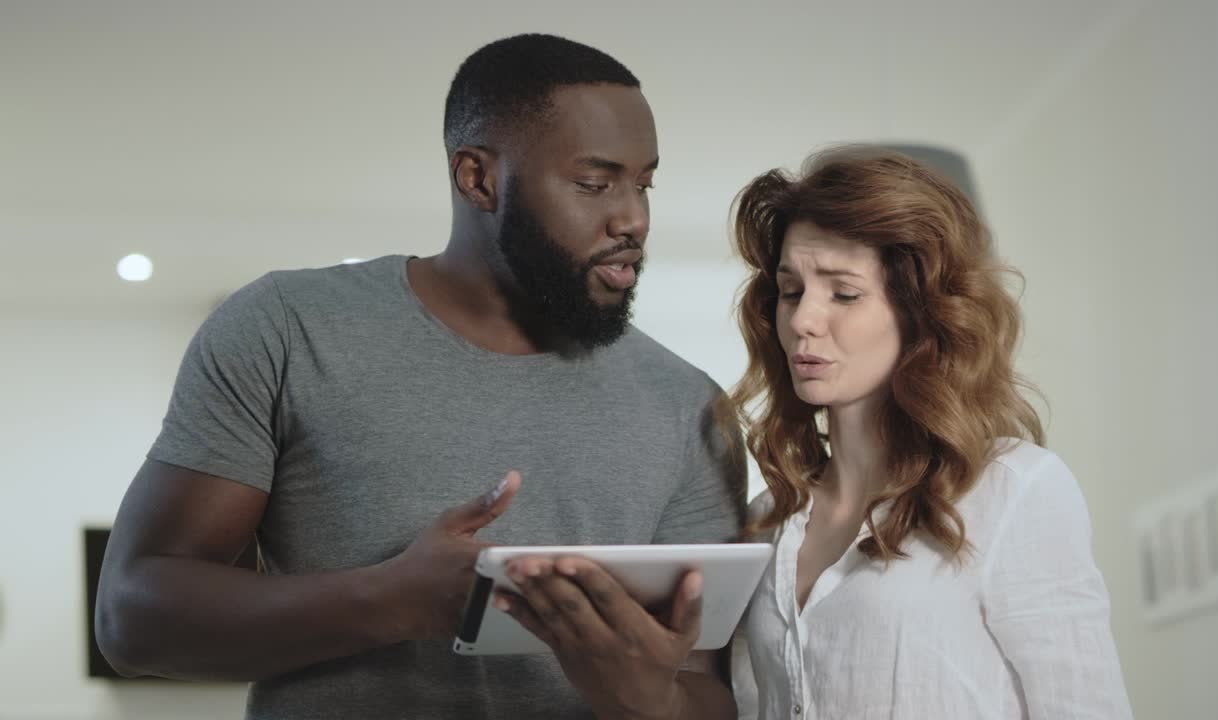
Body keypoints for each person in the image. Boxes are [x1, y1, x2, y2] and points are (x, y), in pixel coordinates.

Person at [94, 33, 744, 720]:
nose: (633, 218)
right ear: (477, 178)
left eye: (644, 184)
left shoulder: (689, 407)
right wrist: (389, 600)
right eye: (594, 183)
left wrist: (651, 699)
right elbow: (131, 619)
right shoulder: (288, 328)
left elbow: (712, 689)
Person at [725, 145, 1132, 719]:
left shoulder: (1012, 491)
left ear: (919, 312)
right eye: (792, 291)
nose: (802, 320)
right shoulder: (767, 521)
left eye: (843, 293)